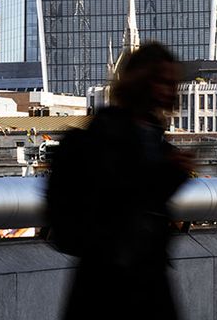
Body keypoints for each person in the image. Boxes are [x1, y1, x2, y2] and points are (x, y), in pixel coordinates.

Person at [58, 42, 193, 320]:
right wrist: (166, 176)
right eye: (162, 81)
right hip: (108, 284)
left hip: (146, 279)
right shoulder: (106, 135)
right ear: (142, 83)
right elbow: (118, 197)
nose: (170, 90)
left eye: (172, 83)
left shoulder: (156, 139)